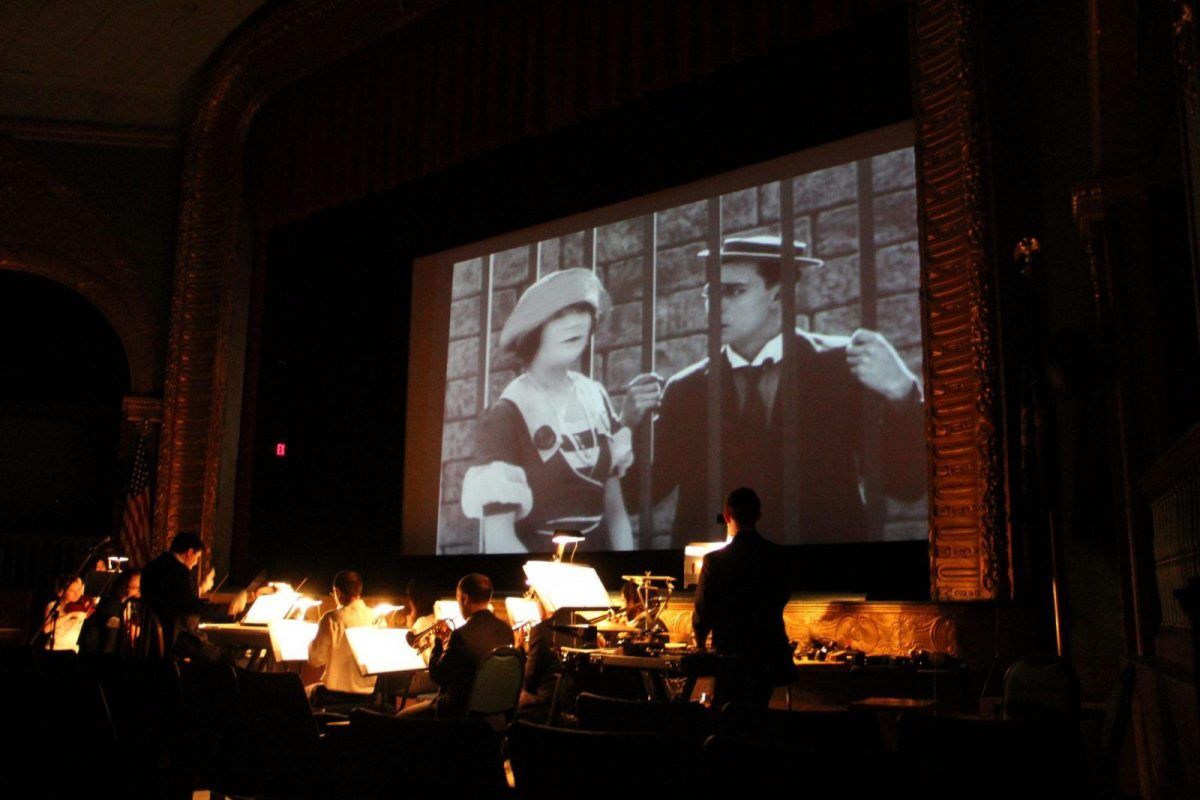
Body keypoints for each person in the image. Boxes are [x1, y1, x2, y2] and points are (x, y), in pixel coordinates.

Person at [623, 235, 926, 545]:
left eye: (734, 291)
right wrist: (628, 426)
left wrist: (902, 392)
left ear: (780, 295)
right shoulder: (686, 389)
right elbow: (635, 498)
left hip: (822, 569)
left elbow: (906, 486)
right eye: (710, 293)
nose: (716, 306)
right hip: (721, 577)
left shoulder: (841, 367)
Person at [460, 268, 635, 554]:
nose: (575, 323)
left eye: (583, 310)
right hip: (538, 569)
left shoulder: (596, 396)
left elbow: (616, 514)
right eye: (559, 314)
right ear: (533, 329)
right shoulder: (507, 413)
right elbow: (499, 538)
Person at [692, 487, 794, 707]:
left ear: (727, 516)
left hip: (730, 656)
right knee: (760, 712)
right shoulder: (778, 556)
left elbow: (703, 610)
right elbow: (783, 596)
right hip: (769, 654)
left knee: (728, 714)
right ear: (758, 516)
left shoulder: (714, 561)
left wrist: (700, 644)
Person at [398, 573, 513, 718]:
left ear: (464, 598)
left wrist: (438, 642)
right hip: (493, 710)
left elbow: (437, 675)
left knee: (401, 717)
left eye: (458, 598)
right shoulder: (506, 630)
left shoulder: (461, 635)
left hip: (457, 711)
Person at [306, 570, 376, 710]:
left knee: (303, 692)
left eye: (333, 593)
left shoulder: (332, 618)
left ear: (337, 591)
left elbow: (315, 659)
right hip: (370, 697)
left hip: (334, 697)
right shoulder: (377, 618)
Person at [140, 531, 215, 655]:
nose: (196, 563)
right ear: (189, 552)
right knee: (224, 658)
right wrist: (224, 610)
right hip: (175, 638)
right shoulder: (180, 572)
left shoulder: (151, 566)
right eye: (197, 558)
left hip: (148, 637)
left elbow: (172, 598)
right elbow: (187, 606)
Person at [78, 569, 141, 654]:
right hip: (98, 646)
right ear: (124, 586)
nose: (138, 591)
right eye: (134, 587)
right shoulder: (111, 601)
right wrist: (127, 625)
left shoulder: (135, 604)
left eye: (140, 587)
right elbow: (110, 620)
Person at [39, 574, 93, 650]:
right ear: (61, 592)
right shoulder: (53, 605)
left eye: (79, 589)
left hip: (73, 649)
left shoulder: (84, 604)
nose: (77, 594)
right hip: (55, 647)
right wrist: (69, 615)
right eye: (72, 591)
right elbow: (46, 629)